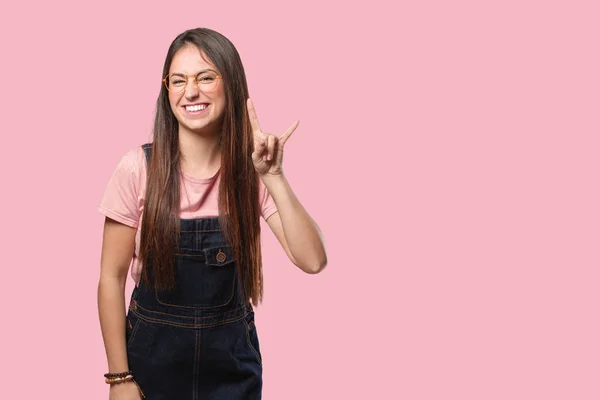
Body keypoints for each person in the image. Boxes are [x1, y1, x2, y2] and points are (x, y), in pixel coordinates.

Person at [96, 27, 327, 400]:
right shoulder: (137, 168)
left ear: (231, 84)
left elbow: (313, 260)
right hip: (149, 367)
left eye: (206, 77)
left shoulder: (252, 173)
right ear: (166, 89)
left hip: (231, 370)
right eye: (178, 80)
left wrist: (274, 178)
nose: (191, 91)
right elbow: (111, 278)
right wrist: (119, 378)